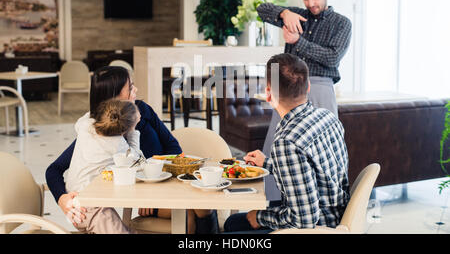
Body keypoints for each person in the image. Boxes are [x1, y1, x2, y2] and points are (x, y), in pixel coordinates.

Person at [45, 66, 218, 234]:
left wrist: (152, 186)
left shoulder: (142, 109)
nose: (136, 89)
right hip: (143, 196)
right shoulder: (100, 131)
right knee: (188, 214)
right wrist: (63, 199)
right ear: (114, 99)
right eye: (130, 88)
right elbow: (54, 170)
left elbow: (173, 148)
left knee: (204, 207)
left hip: (167, 185)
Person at [223, 53, 350, 233]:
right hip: (337, 215)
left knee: (231, 226)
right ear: (308, 87)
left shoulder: (287, 141)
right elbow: (310, 168)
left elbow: (304, 222)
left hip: (319, 227)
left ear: (268, 94)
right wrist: (267, 164)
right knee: (233, 223)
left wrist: (260, 217)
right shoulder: (327, 117)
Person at [256, 0, 352, 202]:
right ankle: (274, 203)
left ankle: (324, 205)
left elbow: (332, 58)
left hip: (319, 86)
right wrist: (284, 12)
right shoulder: (298, 15)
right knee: (276, 145)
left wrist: (298, 41)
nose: (311, 3)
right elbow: (261, 9)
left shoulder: (342, 23)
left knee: (323, 148)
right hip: (287, 89)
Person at [66, 99, 141, 234]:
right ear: (125, 130)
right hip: (89, 208)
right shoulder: (118, 144)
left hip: (74, 199)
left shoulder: (85, 124)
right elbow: (137, 160)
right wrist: (134, 130)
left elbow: (83, 121)